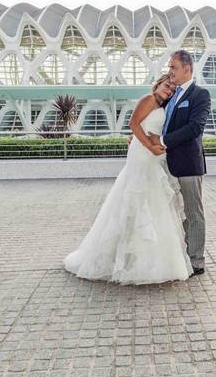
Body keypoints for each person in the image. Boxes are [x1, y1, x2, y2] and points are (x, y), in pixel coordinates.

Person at [63, 72, 193, 285]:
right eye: (165, 85)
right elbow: (134, 124)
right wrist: (150, 146)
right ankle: (125, 259)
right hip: (142, 155)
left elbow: (143, 129)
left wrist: (151, 144)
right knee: (137, 196)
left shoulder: (162, 107)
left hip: (150, 156)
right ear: (158, 84)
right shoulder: (149, 99)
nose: (168, 90)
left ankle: (145, 258)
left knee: (150, 202)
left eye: (171, 89)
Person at [157, 50, 211, 277]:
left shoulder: (200, 94)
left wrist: (162, 140)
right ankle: (178, 255)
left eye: (173, 68)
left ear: (187, 69)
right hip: (165, 165)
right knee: (171, 213)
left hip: (188, 165)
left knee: (193, 213)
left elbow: (195, 128)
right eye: (169, 67)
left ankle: (196, 261)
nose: (170, 72)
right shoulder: (170, 95)